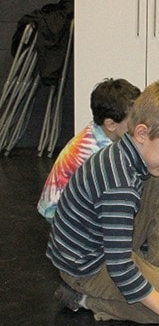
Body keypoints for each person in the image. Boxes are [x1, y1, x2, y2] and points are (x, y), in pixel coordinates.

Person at [47, 78, 159, 326]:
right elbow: (120, 267)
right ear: (142, 133)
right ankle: (83, 299)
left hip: (100, 246)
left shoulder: (126, 154)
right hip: (86, 267)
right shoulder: (119, 185)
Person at [37, 78, 141, 223]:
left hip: (63, 203)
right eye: (134, 119)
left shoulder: (97, 131)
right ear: (111, 124)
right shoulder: (97, 153)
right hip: (61, 213)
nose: (139, 123)